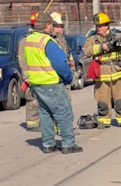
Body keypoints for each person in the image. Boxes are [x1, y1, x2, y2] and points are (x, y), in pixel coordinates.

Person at [24, 13, 82, 154]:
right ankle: (68, 144)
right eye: (51, 24)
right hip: (51, 83)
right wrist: (68, 78)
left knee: (45, 113)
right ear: (47, 25)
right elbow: (60, 64)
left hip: (37, 84)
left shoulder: (29, 40)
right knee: (63, 113)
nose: (52, 27)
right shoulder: (47, 41)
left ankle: (48, 144)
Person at [83, 12, 121, 129]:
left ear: (107, 26)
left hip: (119, 74)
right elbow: (87, 51)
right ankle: (104, 120)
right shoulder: (93, 39)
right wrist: (101, 47)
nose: (99, 28)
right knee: (102, 101)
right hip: (101, 76)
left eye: (101, 26)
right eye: (97, 26)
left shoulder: (117, 36)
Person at [18, 12, 39, 132]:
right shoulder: (25, 41)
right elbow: (22, 58)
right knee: (31, 99)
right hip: (31, 75)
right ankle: (32, 123)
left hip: (41, 74)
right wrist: (26, 76)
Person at [50, 12, 75, 101]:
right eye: (61, 26)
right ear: (54, 26)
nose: (63, 28)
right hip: (59, 77)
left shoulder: (61, 37)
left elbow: (66, 50)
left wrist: (71, 58)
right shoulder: (52, 39)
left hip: (65, 74)